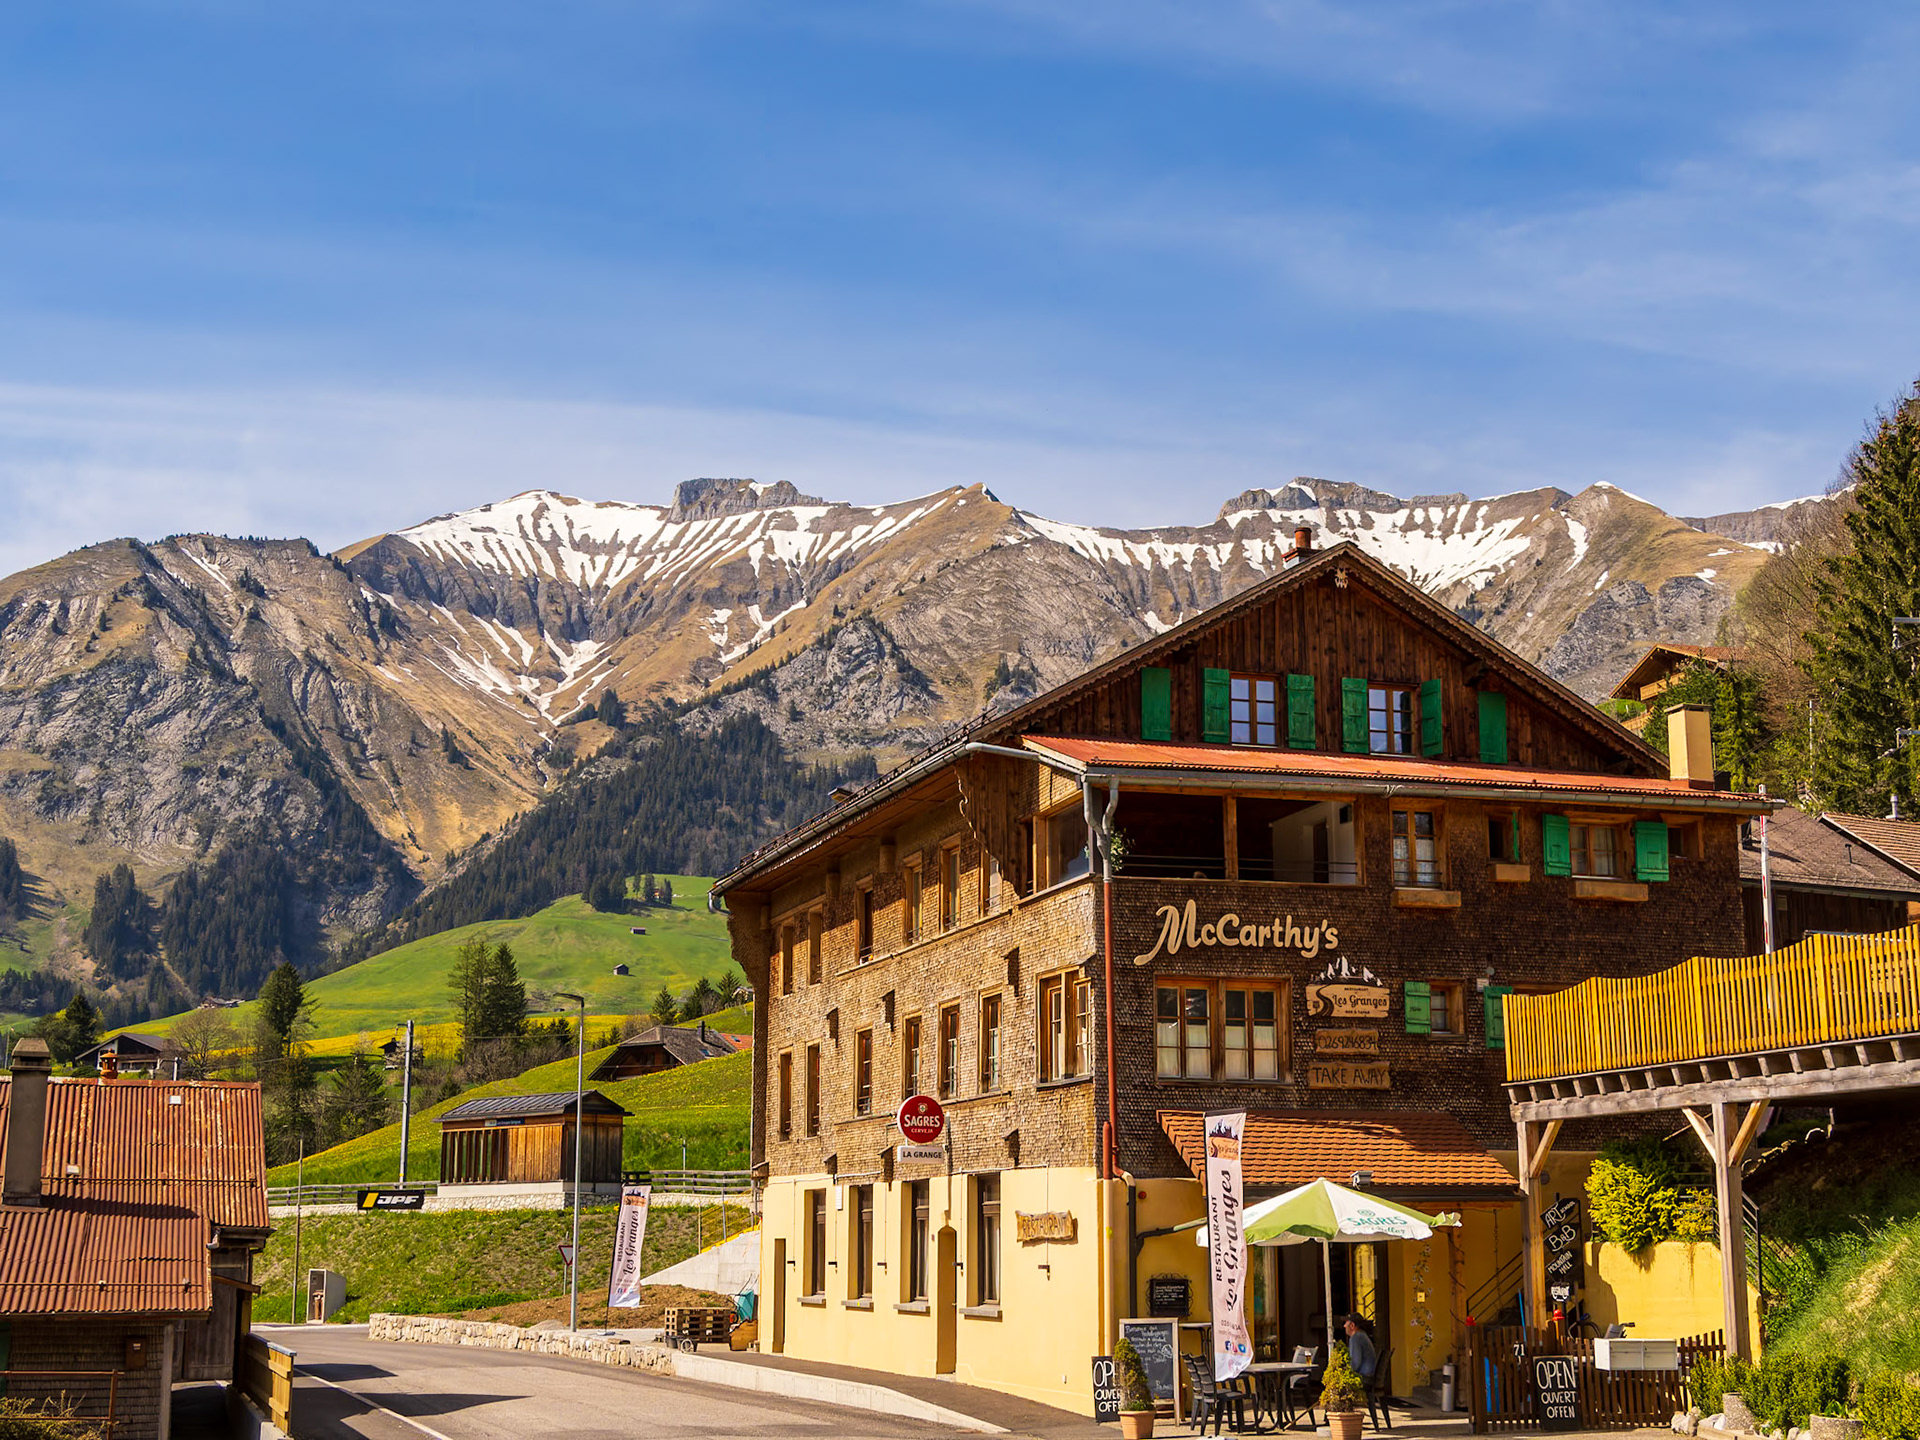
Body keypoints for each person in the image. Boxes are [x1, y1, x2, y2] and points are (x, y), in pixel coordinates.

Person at [1343, 1313, 1377, 1379]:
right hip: (1369, 1375)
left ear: (1352, 1325)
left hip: (1364, 1377)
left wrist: (1343, 1370)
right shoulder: (1362, 1335)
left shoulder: (1355, 1338)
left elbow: (1354, 1364)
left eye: (1346, 1323)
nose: (1344, 1326)